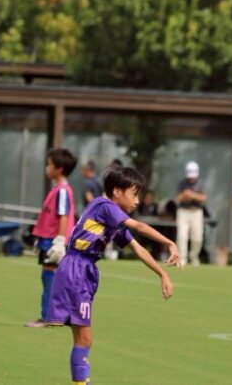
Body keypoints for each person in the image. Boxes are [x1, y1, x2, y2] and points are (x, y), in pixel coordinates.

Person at [45, 166, 181, 384]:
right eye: (134, 194)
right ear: (117, 191)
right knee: (85, 339)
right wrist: (169, 242)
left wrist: (162, 273)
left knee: (83, 340)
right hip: (77, 269)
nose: (137, 201)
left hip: (82, 269)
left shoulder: (112, 219)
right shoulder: (104, 206)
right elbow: (138, 226)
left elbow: (138, 248)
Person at [25, 148, 78, 328]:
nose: (46, 168)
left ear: (59, 168)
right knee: (54, 276)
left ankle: (49, 316)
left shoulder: (62, 190)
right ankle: (60, 315)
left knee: (50, 276)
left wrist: (60, 241)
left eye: (49, 165)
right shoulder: (57, 189)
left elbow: (63, 216)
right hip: (48, 239)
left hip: (54, 240)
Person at [175, 161, 207, 267]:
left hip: (196, 212)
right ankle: (182, 259)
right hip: (183, 212)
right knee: (182, 236)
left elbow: (203, 198)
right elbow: (178, 198)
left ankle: (194, 257)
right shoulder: (182, 183)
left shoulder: (201, 183)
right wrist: (185, 195)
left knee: (197, 238)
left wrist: (192, 195)